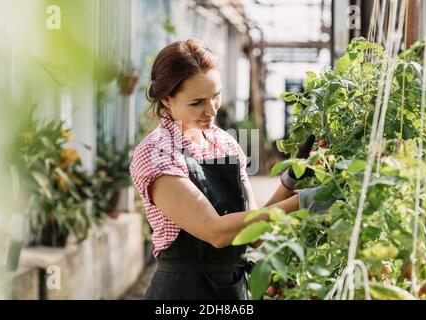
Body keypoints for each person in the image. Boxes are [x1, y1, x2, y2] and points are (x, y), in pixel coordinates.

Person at [130, 39, 326, 300]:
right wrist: (302, 203)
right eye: (197, 102)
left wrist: (292, 181)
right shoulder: (157, 151)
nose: (211, 111)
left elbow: (253, 234)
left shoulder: (224, 142)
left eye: (216, 96)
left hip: (232, 290)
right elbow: (216, 232)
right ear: (167, 99)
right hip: (183, 292)